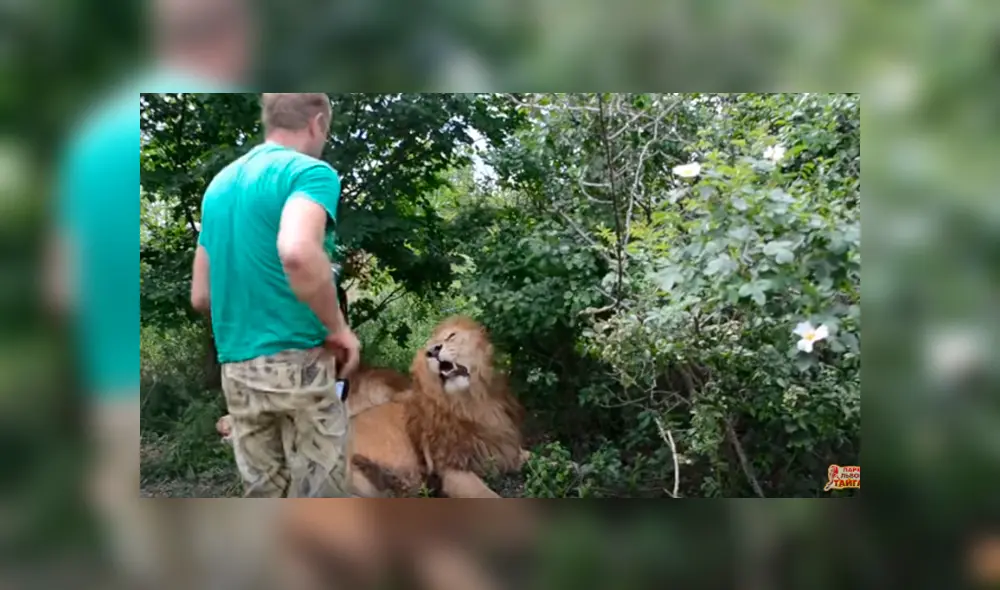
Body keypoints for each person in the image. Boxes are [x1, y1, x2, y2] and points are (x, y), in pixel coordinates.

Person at [191, 93, 361, 498]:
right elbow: (299, 252)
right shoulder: (309, 173)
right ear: (317, 123)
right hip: (299, 358)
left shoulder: (219, 186)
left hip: (236, 368)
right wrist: (338, 329)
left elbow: (200, 295)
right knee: (323, 497)